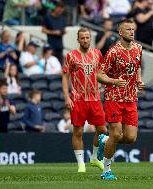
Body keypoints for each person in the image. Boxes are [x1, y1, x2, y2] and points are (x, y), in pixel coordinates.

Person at [96, 19, 145, 180]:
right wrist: (114, 81)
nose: (131, 31)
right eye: (128, 29)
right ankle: (106, 171)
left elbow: (136, 66)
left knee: (130, 138)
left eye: (133, 29)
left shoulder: (138, 48)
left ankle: (105, 140)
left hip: (131, 98)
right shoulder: (113, 52)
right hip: (114, 97)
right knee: (116, 134)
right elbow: (99, 75)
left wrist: (139, 80)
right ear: (120, 32)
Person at [62, 27, 107, 173]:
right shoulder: (71, 55)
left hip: (94, 98)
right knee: (78, 131)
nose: (85, 40)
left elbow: (101, 73)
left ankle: (94, 158)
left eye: (87, 37)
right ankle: (81, 164)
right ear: (78, 39)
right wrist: (67, 96)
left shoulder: (97, 54)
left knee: (102, 130)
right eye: (82, 38)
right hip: (78, 98)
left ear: (90, 38)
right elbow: (65, 76)